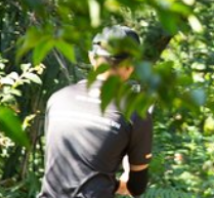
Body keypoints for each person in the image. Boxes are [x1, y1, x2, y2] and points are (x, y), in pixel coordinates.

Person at [39, 25, 153, 198]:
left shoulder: (58, 99)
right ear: (131, 66)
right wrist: (124, 179)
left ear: (92, 57)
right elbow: (136, 187)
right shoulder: (135, 109)